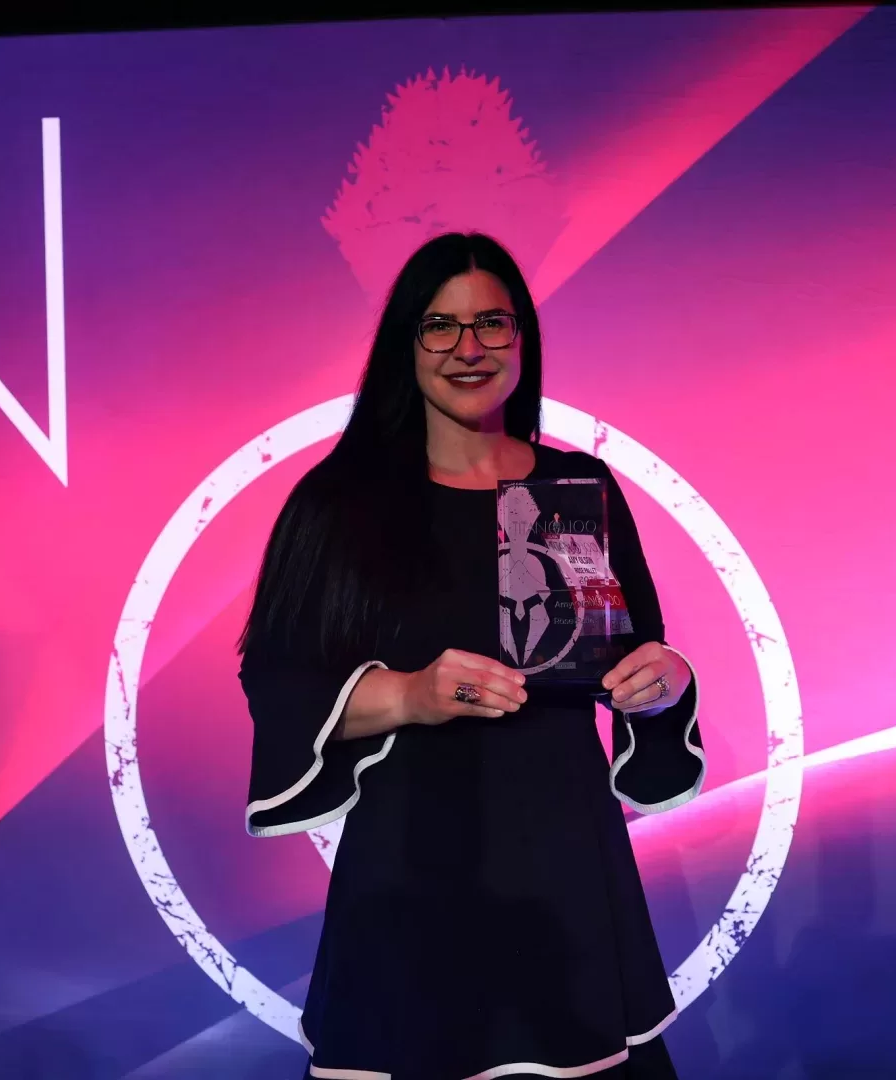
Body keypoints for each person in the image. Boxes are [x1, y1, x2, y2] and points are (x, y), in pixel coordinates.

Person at [239, 232, 706, 1079]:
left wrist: (663, 682)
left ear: (523, 338)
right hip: (413, 868)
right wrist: (410, 695)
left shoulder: (577, 488)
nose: (469, 349)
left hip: (567, 865)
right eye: (440, 326)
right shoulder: (340, 504)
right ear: (406, 344)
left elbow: (634, 656)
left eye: (491, 323)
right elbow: (275, 679)